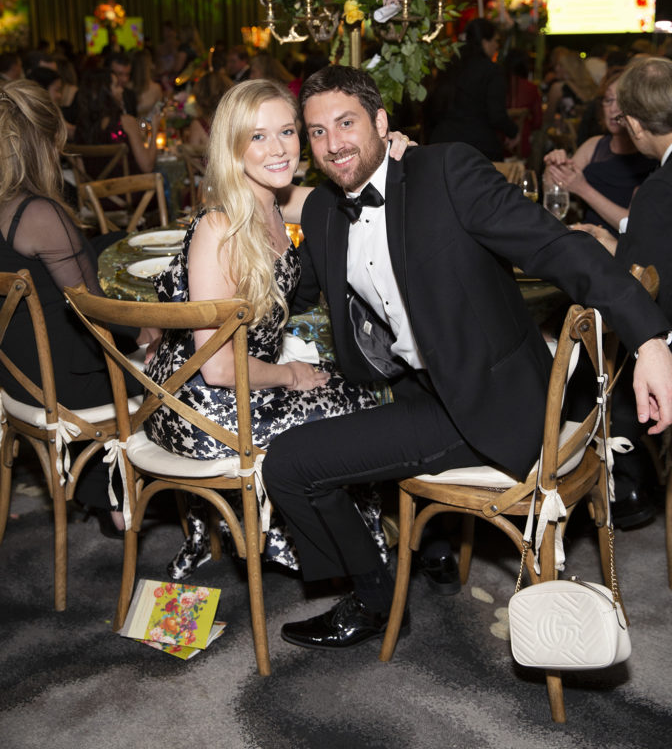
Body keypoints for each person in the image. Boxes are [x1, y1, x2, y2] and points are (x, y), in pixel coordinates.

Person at [261, 64, 672, 651]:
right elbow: (294, 296)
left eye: (346, 123)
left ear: (381, 123)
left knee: (289, 462)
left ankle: (380, 593)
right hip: (416, 393)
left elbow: (560, 250)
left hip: (489, 402)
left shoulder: (446, 171)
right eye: (317, 132)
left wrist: (650, 341)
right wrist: (244, 220)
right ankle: (394, 578)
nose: (333, 144)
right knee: (292, 454)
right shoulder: (325, 215)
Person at [144, 80, 410, 580]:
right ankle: (350, 559)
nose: (278, 148)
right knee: (355, 408)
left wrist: (395, 156)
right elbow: (219, 367)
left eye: (287, 131)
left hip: (249, 383)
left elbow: (357, 187)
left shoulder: (273, 200)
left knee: (364, 389)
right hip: (199, 404)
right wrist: (290, 374)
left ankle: (350, 551)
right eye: (258, 136)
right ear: (232, 145)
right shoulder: (220, 228)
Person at [0, 80, 145, 536]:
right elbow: (96, 310)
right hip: (67, 390)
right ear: (45, 143)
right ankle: (128, 491)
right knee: (181, 357)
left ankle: (97, 483)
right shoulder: (39, 214)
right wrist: (151, 336)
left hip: (16, 378)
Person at [573, 55, 672, 526]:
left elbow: (646, 286)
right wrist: (617, 241)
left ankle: (622, 488)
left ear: (635, 125)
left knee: (578, 364)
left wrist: (601, 253)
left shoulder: (663, 186)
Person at [544, 68, 656, 236]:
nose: (613, 109)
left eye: (622, 101)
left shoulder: (650, 155)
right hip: (586, 239)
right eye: (608, 100)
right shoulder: (594, 145)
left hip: (622, 249)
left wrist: (583, 189)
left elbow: (634, 224)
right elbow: (554, 192)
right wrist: (552, 168)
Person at [428, 18, 519, 160]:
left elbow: (434, 107)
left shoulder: (448, 65)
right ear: (484, 42)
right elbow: (497, 115)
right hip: (477, 149)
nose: (497, 46)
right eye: (495, 41)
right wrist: (514, 132)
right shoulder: (491, 71)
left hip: (441, 145)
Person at [75, 68, 160, 175]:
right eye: (116, 86)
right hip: (129, 189)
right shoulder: (126, 122)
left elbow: (81, 173)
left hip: (95, 191)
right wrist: (154, 129)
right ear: (105, 92)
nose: (121, 90)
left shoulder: (81, 127)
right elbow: (147, 166)